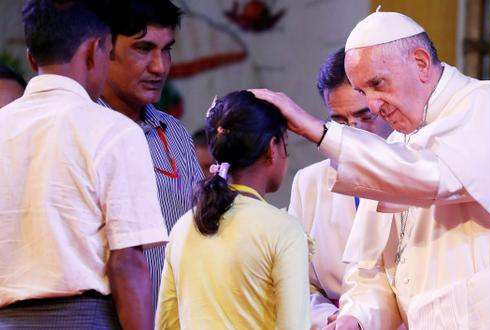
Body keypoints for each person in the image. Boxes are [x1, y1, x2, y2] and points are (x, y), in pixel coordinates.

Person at [252, 11, 490, 329]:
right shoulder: (394, 151)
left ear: (420, 63)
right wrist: (357, 319)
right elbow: (374, 274)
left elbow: (429, 177)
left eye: (378, 84)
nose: (375, 104)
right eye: (365, 91)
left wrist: (318, 131)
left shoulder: (486, 104)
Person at [0, 1, 167, 329]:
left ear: (32, 58)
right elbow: (127, 264)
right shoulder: (114, 131)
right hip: (86, 319)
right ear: (95, 50)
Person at [156, 90, 310, 329]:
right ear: (272, 148)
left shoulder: (184, 226)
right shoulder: (283, 230)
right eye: (285, 144)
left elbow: (166, 325)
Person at [97, 0, 205, 309]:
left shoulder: (173, 132)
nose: (159, 67)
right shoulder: (82, 131)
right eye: (143, 49)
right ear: (102, 48)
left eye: (166, 49)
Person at [287, 47, 393, 329]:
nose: (353, 132)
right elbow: (298, 285)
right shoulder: (309, 183)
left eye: (365, 117)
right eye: (340, 121)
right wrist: (332, 320)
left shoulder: (421, 175)